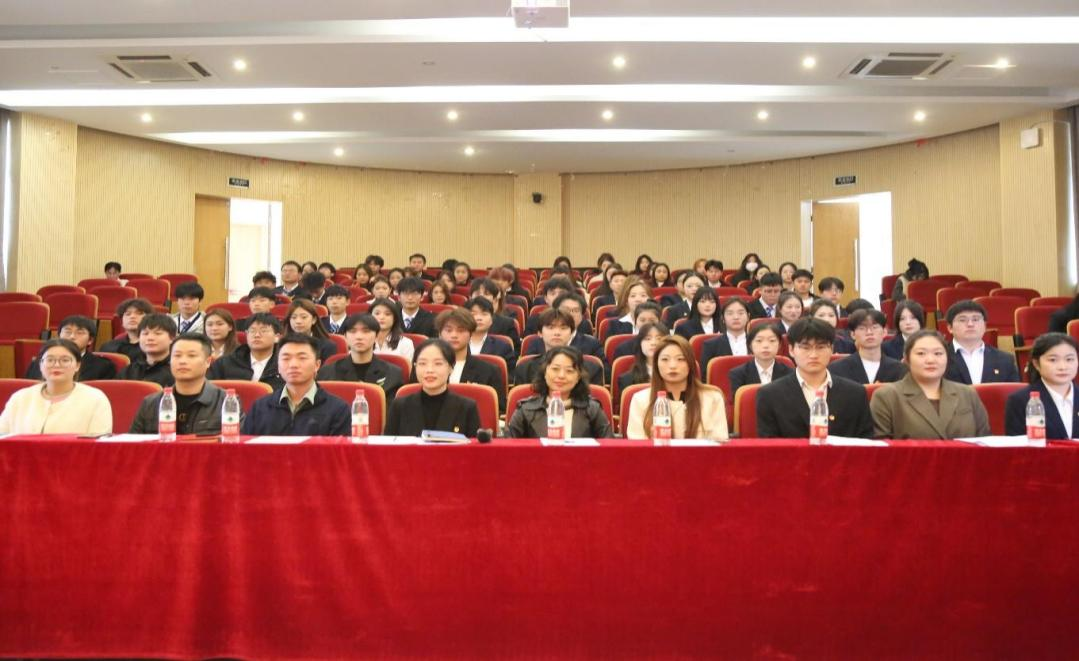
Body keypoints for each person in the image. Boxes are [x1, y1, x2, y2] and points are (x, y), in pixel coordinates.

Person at [756, 318, 874, 439]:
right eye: (805, 348)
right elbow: (769, 445)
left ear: (831, 349)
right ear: (791, 350)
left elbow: (867, 442)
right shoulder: (770, 395)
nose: (813, 355)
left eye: (820, 347)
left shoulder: (855, 393)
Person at [871, 330, 990, 439]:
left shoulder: (967, 393)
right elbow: (880, 447)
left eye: (938, 353)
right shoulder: (887, 396)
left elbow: (985, 440)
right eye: (921, 353)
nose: (931, 360)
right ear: (906, 359)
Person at [241, 334, 351, 436]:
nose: (293, 365)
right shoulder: (260, 407)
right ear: (278, 366)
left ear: (317, 365)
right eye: (286, 358)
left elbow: (339, 450)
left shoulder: (338, 410)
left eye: (302, 358)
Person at [625, 335, 728, 441]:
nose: (673, 366)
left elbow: (720, 443)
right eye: (665, 359)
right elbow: (636, 445)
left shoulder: (712, 398)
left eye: (680, 359)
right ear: (656, 364)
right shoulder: (640, 399)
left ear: (690, 364)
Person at [0, 339, 112, 435]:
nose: (57, 365)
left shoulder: (95, 399)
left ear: (77, 365)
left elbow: (99, 445)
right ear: (40, 365)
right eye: (50, 360)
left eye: (65, 360)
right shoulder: (20, 397)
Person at [129, 333, 233, 435]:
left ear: (208, 361)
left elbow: (235, 442)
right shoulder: (151, 403)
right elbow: (133, 443)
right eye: (177, 355)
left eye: (191, 356)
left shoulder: (226, 401)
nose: (182, 361)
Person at [506, 347, 612, 439]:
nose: (561, 376)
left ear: (578, 377)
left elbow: (609, 447)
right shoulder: (525, 410)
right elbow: (508, 447)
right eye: (555, 369)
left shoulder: (593, 409)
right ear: (545, 373)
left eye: (569, 371)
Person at [384, 339, 481, 437]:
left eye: (438, 364)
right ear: (415, 367)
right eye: (422, 363)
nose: (429, 370)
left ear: (451, 367)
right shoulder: (399, 406)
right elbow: (387, 444)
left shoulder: (467, 408)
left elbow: (474, 446)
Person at [317, 313, 404, 403]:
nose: (359, 337)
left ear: (376, 336)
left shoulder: (393, 374)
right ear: (345, 337)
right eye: (353, 331)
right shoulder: (327, 372)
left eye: (366, 331)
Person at [1005, 333, 1079, 438]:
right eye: (1053, 360)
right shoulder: (1020, 400)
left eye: (1069, 359)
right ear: (1036, 364)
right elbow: (1016, 445)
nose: (1063, 367)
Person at [435, 308, 506, 412]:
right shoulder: (426, 368)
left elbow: (498, 411)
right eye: (448, 330)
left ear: (471, 334)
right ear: (440, 334)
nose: (454, 335)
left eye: (461, 330)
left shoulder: (489, 371)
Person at [515, 309, 603, 386]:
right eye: (551, 327)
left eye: (563, 328)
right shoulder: (525, 369)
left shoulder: (591, 368)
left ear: (571, 334)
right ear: (540, 333)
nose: (557, 333)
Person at [943, 300, 1020, 384]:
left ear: (985, 326)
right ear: (950, 328)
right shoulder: (940, 356)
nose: (970, 324)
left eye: (975, 319)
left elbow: (1014, 390)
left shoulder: (1005, 360)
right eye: (962, 320)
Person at [828, 309, 908, 384]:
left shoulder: (900, 369)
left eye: (874, 327)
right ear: (853, 334)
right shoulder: (837, 369)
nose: (869, 332)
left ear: (884, 332)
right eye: (862, 328)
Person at [24, 315, 116, 381]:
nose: (72, 336)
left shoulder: (103, 366)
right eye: (67, 332)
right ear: (59, 336)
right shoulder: (39, 363)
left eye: (79, 333)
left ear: (90, 340)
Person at [208, 312, 285, 389]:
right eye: (252, 331)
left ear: (277, 337)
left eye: (263, 331)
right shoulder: (225, 363)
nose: (257, 335)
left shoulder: (284, 364)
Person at [728, 323, 793, 394]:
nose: (765, 346)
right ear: (750, 345)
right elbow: (739, 400)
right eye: (759, 341)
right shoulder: (738, 374)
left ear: (779, 345)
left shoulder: (790, 373)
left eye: (772, 340)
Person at [118, 314, 177, 386]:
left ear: (172, 338)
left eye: (158, 333)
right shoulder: (129, 371)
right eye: (145, 334)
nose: (150, 338)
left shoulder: (178, 371)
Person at [698, 298, 752, 373]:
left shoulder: (757, 342)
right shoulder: (711, 345)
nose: (736, 317)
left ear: (748, 316)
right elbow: (705, 375)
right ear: (723, 318)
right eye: (730, 313)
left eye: (740, 313)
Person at [466, 297, 517, 373]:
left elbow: (509, 375)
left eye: (484, 314)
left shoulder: (503, 347)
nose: (478, 318)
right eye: (473, 314)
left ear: (492, 320)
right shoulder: (454, 344)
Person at [617, 322, 668, 397]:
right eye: (648, 339)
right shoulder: (627, 380)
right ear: (640, 344)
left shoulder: (680, 376)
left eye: (659, 338)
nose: (653, 343)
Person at [470, 277, 522, 351]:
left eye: (486, 294)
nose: (481, 297)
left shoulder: (507, 324)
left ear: (494, 298)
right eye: (477, 293)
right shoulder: (461, 320)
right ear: (470, 297)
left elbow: (516, 351)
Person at [99, 297, 154, 362]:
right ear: (122, 321)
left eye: (139, 313)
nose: (132, 316)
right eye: (127, 314)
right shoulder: (108, 347)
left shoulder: (154, 346)